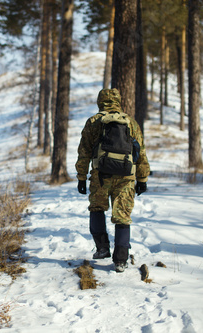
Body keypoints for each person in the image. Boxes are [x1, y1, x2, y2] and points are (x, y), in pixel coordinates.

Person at [75, 88, 150, 272]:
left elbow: (84, 152)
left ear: (100, 101)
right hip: (126, 177)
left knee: (97, 208)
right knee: (122, 215)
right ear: (119, 101)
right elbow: (141, 153)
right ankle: (121, 260)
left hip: (100, 177)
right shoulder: (130, 122)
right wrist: (142, 178)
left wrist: (81, 177)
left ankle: (102, 249)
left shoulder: (93, 122)